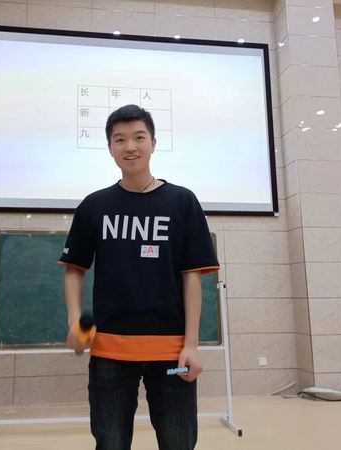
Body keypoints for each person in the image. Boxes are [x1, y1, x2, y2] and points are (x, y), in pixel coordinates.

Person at [59, 104, 219, 450]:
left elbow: (192, 277)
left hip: (171, 351)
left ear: (153, 143)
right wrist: (76, 323)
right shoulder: (94, 205)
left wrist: (191, 345)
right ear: (110, 147)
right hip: (109, 351)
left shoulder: (182, 202)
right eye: (120, 139)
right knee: (110, 442)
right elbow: (74, 269)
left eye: (138, 137)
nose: (130, 146)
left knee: (179, 442)